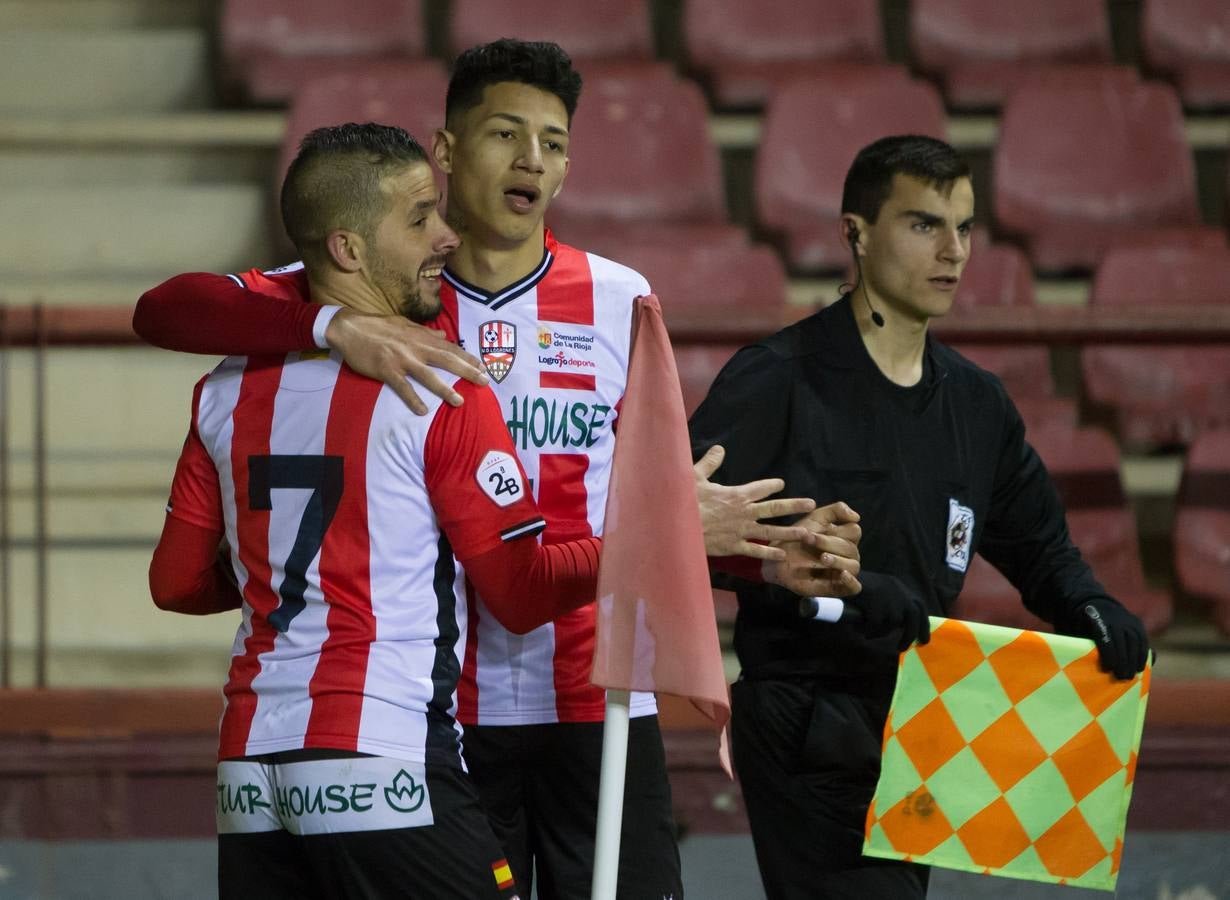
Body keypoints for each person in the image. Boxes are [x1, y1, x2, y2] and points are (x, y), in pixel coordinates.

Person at [134, 40, 861, 898]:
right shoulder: (361, 291)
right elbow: (164, 308)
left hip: (599, 701)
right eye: (505, 135)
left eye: (552, 143)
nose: (531, 161)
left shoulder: (620, 299)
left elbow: (654, 505)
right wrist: (333, 329)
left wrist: (757, 560)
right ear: (444, 155)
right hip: (446, 718)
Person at [149, 122, 633, 899]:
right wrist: (654, 543)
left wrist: (297, 578)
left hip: (249, 774)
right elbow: (519, 592)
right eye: (418, 219)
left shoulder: (224, 391)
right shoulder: (440, 385)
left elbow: (175, 582)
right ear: (347, 249)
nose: (446, 236)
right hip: (383, 758)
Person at [687, 134, 1151, 900]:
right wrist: (790, 575)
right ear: (857, 233)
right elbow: (677, 536)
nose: (954, 251)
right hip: (807, 713)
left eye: (964, 227)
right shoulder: (775, 380)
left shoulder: (977, 403)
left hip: (928, 713)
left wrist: (1092, 605)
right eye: (924, 224)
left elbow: (1040, 545)